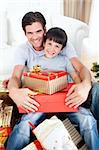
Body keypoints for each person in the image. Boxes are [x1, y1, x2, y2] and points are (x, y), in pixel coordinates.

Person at [6, 12, 99, 150]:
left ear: (45, 29)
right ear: (24, 33)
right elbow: (15, 77)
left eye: (38, 31)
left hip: (65, 99)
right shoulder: (24, 51)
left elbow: (80, 69)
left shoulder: (61, 44)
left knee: (88, 119)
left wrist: (84, 86)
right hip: (40, 101)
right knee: (24, 124)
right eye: (30, 33)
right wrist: (13, 91)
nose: (35, 37)